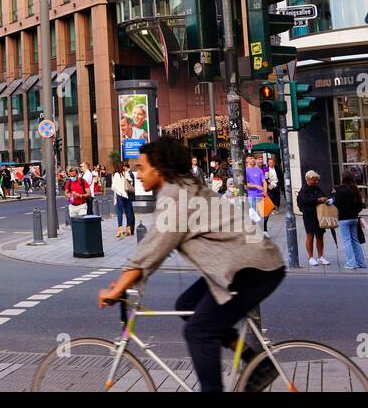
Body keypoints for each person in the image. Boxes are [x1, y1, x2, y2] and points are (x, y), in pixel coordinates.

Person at [97, 138, 285, 393]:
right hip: (240, 263)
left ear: (160, 169)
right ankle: (257, 363)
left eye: (142, 168)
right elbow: (151, 249)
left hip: (252, 269)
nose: (137, 174)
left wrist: (117, 288)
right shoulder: (182, 187)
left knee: (199, 332)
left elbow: (152, 250)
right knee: (186, 306)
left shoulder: (176, 197)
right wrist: (123, 283)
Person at [332, 171, 367, 269]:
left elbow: (337, 203)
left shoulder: (339, 190)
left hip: (343, 218)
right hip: (354, 218)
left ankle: (350, 263)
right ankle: (361, 262)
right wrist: (354, 212)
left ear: (343, 178)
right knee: (355, 240)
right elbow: (360, 206)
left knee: (347, 241)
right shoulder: (355, 190)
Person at [296, 171, 330, 265]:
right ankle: (310, 257)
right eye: (314, 180)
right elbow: (306, 200)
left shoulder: (317, 188)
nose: (316, 182)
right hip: (308, 215)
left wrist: (325, 199)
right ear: (308, 179)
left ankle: (320, 256)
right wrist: (318, 200)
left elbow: (324, 196)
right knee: (310, 235)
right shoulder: (304, 189)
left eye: (316, 180)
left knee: (320, 235)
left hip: (319, 214)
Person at [111, 160, 135, 238]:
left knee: (119, 213)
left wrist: (119, 191)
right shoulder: (126, 173)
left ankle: (120, 230)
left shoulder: (115, 175)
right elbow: (131, 182)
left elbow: (113, 186)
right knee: (128, 212)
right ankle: (128, 229)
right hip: (126, 195)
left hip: (119, 195)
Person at [244, 155, 266, 226]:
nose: (253, 159)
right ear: (246, 160)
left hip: (261, 195)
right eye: (251, 158)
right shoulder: (245, 171)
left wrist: (265, 191)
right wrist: (256, 186)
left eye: (253, 158)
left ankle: (260, 232)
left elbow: (264, 181)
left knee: (260, 216)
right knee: (254, 217)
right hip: (252, 196)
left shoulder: (259, 170)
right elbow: (245, 184)